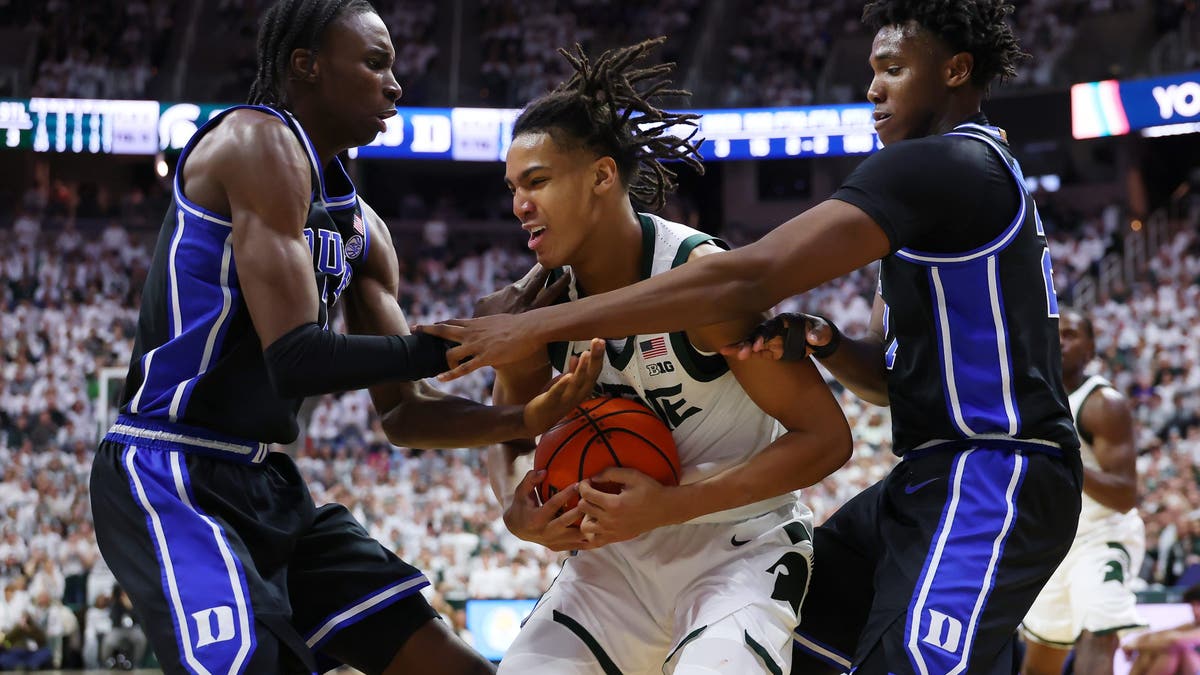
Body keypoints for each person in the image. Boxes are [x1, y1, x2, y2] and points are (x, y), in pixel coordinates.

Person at [421, 1, 1084, 672]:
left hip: (998, 468)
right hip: (928, 473)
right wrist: (826, 341)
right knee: (807, 641)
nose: (872, 88)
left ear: (956, 70)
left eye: (892, 69)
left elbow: (752, 277)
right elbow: (893, 385)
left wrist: (532, 325)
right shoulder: (944, 200)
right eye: (872, 71)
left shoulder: (944, 164)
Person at [88, 1, 602, 674]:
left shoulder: (365, 229)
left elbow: (403, 411)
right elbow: (295, 360)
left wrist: (522, 417)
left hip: (265, 478)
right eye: (374, 63)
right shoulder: (256, 141)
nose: (394, 85)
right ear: (306, 65)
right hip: (171, 469)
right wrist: (474, 339)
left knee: (450, 665)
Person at [477, 39, 853, 675]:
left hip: (737, 550)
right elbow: (510, 432)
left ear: (602, 175)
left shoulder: (699, 281)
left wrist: (670, 506)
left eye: (537, 182)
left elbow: (826, 439)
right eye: (514, 187)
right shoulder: (533, 307)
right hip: (612, 567)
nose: (519, 205)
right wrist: (517, 504)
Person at [1020, 308, 1146, 675]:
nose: (1058, 338)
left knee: (1099, 633)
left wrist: (1066, 460)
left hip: (1102, 538)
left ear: (1091, 349)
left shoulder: (1102, 403)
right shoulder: (1025, 400)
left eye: (1071, 333)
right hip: (1050, 544)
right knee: (1041, 658)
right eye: (1053, 330)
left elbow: (1125, 496)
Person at [1122, 583, 1200, 675]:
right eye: (1193, 606)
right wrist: (1136, 642)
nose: (1195, 611)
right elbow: (1158, 635)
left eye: (1199, 605)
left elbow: (1175, 640)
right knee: (1151, 651)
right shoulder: (1192, 625)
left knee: (1173, 651)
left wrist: (1135, 644)